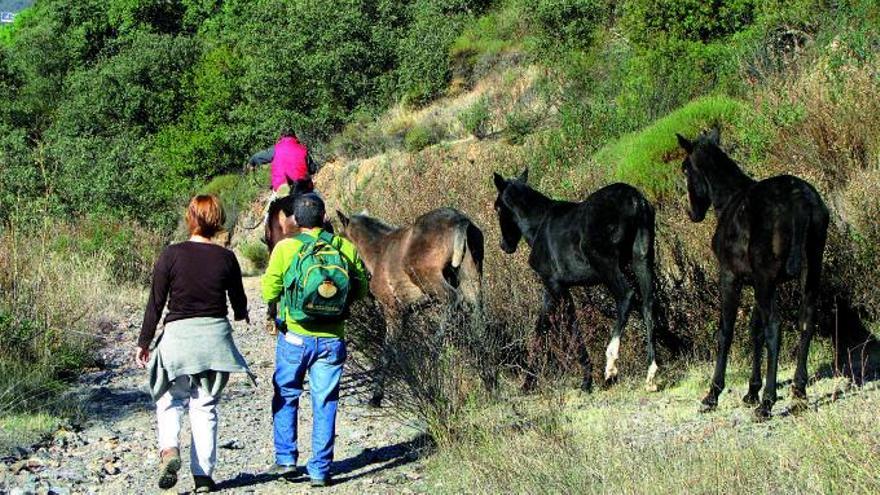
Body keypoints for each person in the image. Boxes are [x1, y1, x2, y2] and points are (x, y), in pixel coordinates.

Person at [135, 194, 254, 493]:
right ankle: (203, 477)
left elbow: (156, 303)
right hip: (214, 340)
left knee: (169, 398)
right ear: (218, 220)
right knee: (205, 406)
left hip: (179, 338)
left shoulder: (170, 254)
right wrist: (242, 315)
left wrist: (144, 341)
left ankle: (169, 449)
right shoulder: (227, 257)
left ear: (190, 217)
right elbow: (238, 301)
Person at [261, 193, 369, 487]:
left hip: (295, 336)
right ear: (324, 218)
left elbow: (268, 291)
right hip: (333, 338)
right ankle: (320, 470)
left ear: (294, 220)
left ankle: (286, 460)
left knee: (287, 393)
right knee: (325, 400)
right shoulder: (344, 247)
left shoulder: (285, 248)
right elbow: (360, 290)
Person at [248, 128, 319, 200]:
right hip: (303, 186)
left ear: (281, 137)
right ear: (294, 136)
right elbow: (312, 169)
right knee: (318, 200)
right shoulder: (302, 148)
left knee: (272, 209)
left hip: (282, 187)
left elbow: (258, 157)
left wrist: (252, 162)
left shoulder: (276, 149)